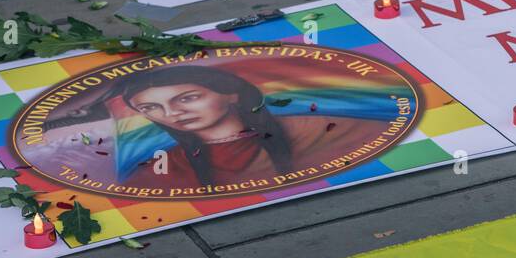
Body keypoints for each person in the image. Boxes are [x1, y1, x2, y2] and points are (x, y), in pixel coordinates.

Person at [115, 66, 399, 191]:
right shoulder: (160, 169)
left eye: (188, 98)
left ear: (231, 94)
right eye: (150, 108)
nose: (172, 113)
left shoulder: (318, 129)